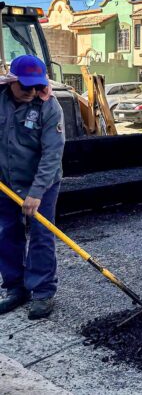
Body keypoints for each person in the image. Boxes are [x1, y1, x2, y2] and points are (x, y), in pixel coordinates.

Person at [0, 55, 65, 319]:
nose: (32, 92)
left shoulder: (50, 107)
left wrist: (36, 193)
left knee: (41, 234)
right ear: (12, 81)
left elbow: (52, 154)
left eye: (37, 86)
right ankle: (15, 287)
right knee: (6, 232)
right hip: (5, 182)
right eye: (26, 86)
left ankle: (42, 291)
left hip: (42, 182)